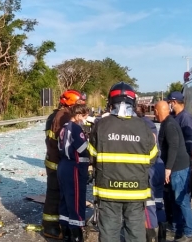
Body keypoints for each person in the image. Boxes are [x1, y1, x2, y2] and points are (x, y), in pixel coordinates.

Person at [90, 82, 158, 242]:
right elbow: (152, 158)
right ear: (133, 102)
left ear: (110, 102)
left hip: (108, 191)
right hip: (136, 191)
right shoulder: (144, 127)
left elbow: (92, 155)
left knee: (108, 232)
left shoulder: (101, 126)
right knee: (135, 232)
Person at [42, 89, 86, 239]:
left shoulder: (56, 115)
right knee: (55, 195)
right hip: (58, 161)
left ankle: (60, 225)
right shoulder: (64, 116)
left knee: (58, 195)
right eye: (78, 104)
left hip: (55, 160)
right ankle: (50, 227)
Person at [155, 101, 192, 242]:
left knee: (182, 201)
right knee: (174, 200)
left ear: (160, 111)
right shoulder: (167, 123)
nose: (154, 114)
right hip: (174, 168)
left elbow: (173, 146)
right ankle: (179, 230)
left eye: (155, 111)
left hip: (179, 168)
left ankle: (189, 233)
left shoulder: (170, 124)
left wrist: (168, 168)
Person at [57, 103, 93, 242]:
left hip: (63, 166)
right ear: (78, 115)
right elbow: (83, 148)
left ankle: (66, 234)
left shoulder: (63, 128)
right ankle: (77, 237)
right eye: (84, 116)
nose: (85, 119)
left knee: (65, 201)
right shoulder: (76, 128)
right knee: (77, 203)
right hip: (75, 168)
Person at [135, 104, 164, 242]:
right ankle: (161, 234)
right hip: (159, 165)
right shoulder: (150, 123)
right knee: (158, 201)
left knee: (147, 204)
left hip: (149, 168)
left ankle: (150, 236)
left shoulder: (140, 126)